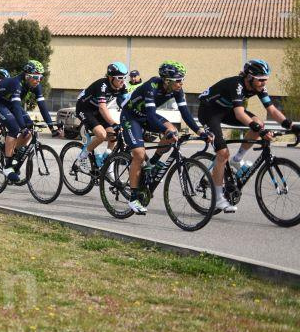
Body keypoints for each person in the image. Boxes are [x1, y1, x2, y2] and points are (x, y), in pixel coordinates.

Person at [198, 59, 298, 213]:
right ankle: (218, 199)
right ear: (250, 77)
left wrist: (290, 125)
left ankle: (237, 159)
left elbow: (271, 110)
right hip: (209, 112)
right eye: (261, 80)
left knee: (259, 123)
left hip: (226, 110)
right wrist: (258, 129)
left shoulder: (259, 87)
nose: (264, 83)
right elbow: (239, 114)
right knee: (223, 154)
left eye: (266, 79)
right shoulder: (237, 84)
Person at [119, 61, 212, 215]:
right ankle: (133, 198)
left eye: (183, 79)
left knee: (173, 130)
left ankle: (153, 163)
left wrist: (200, 131)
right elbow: (150, 114)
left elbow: (185, 113)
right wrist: (165, 131)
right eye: (178, 80)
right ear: (167, 80)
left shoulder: (177, 90)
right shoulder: (151, 86)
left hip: (148, 116)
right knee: (139, 154)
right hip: (131, 117)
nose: (181, 83)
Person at [0, 60, 59, 182]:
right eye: (36, 77)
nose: (39, 80)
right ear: (27, 75)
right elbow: (15, 107)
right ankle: (8, 166)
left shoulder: (36, 85)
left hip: (11, 103)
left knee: (29, 129)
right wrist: (22, 127)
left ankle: (12, 151)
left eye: (40, 77)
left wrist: (52, 127)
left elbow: (42, 106)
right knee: (14, 127)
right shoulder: (16, 83)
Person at [74, 62, 130, 171]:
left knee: (113, 136)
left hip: (96, 109)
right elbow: (102, 108)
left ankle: (107, 164)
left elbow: (126, 104)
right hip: (84, 108)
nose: (123, 80)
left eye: (124, 77)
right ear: (110, 77)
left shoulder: (122, 86)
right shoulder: (102, 85)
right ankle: (82, 157)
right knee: (101, 135)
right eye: (119, 78)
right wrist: (114, 123)